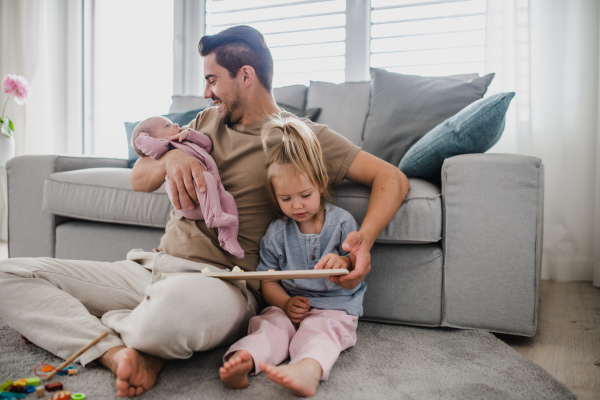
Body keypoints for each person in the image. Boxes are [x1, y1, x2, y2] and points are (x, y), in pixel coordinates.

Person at [0, 25, 409, 398]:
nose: (207, 91)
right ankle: (114, 352)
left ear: (245, 76)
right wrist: (170, 161)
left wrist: (363, 240)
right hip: (151, 267)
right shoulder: (203, 122)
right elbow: (139, 178)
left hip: (221, 284)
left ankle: (105, 328)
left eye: (213, 79)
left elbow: (392, 178)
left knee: (165, 317)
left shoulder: (300, 136)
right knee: (8, 275)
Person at [219, 114, 366, 397]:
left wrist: (344, 261)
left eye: (305, 195)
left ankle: (307, 370)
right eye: (286, 199)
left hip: (333, 308)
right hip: (289, 304)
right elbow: (268, 281)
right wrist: (285, 304)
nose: (296, 206)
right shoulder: (277, 232)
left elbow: (355, 267)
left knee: (321, 334)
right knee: (269, 325)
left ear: (322, 184)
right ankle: (245, 359)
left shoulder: (343, 223)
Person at [131, 115, 244, 258]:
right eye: (167, 126)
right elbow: (138, 173)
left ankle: (228, 239)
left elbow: (207, 144)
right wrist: (143, 140)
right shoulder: (163, 146)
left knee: (228, 199)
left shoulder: (185, 139)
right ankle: (213, 216)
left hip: (214, 191)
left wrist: (189, 133)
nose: (176, 125)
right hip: (190, 199)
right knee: (205, 177)